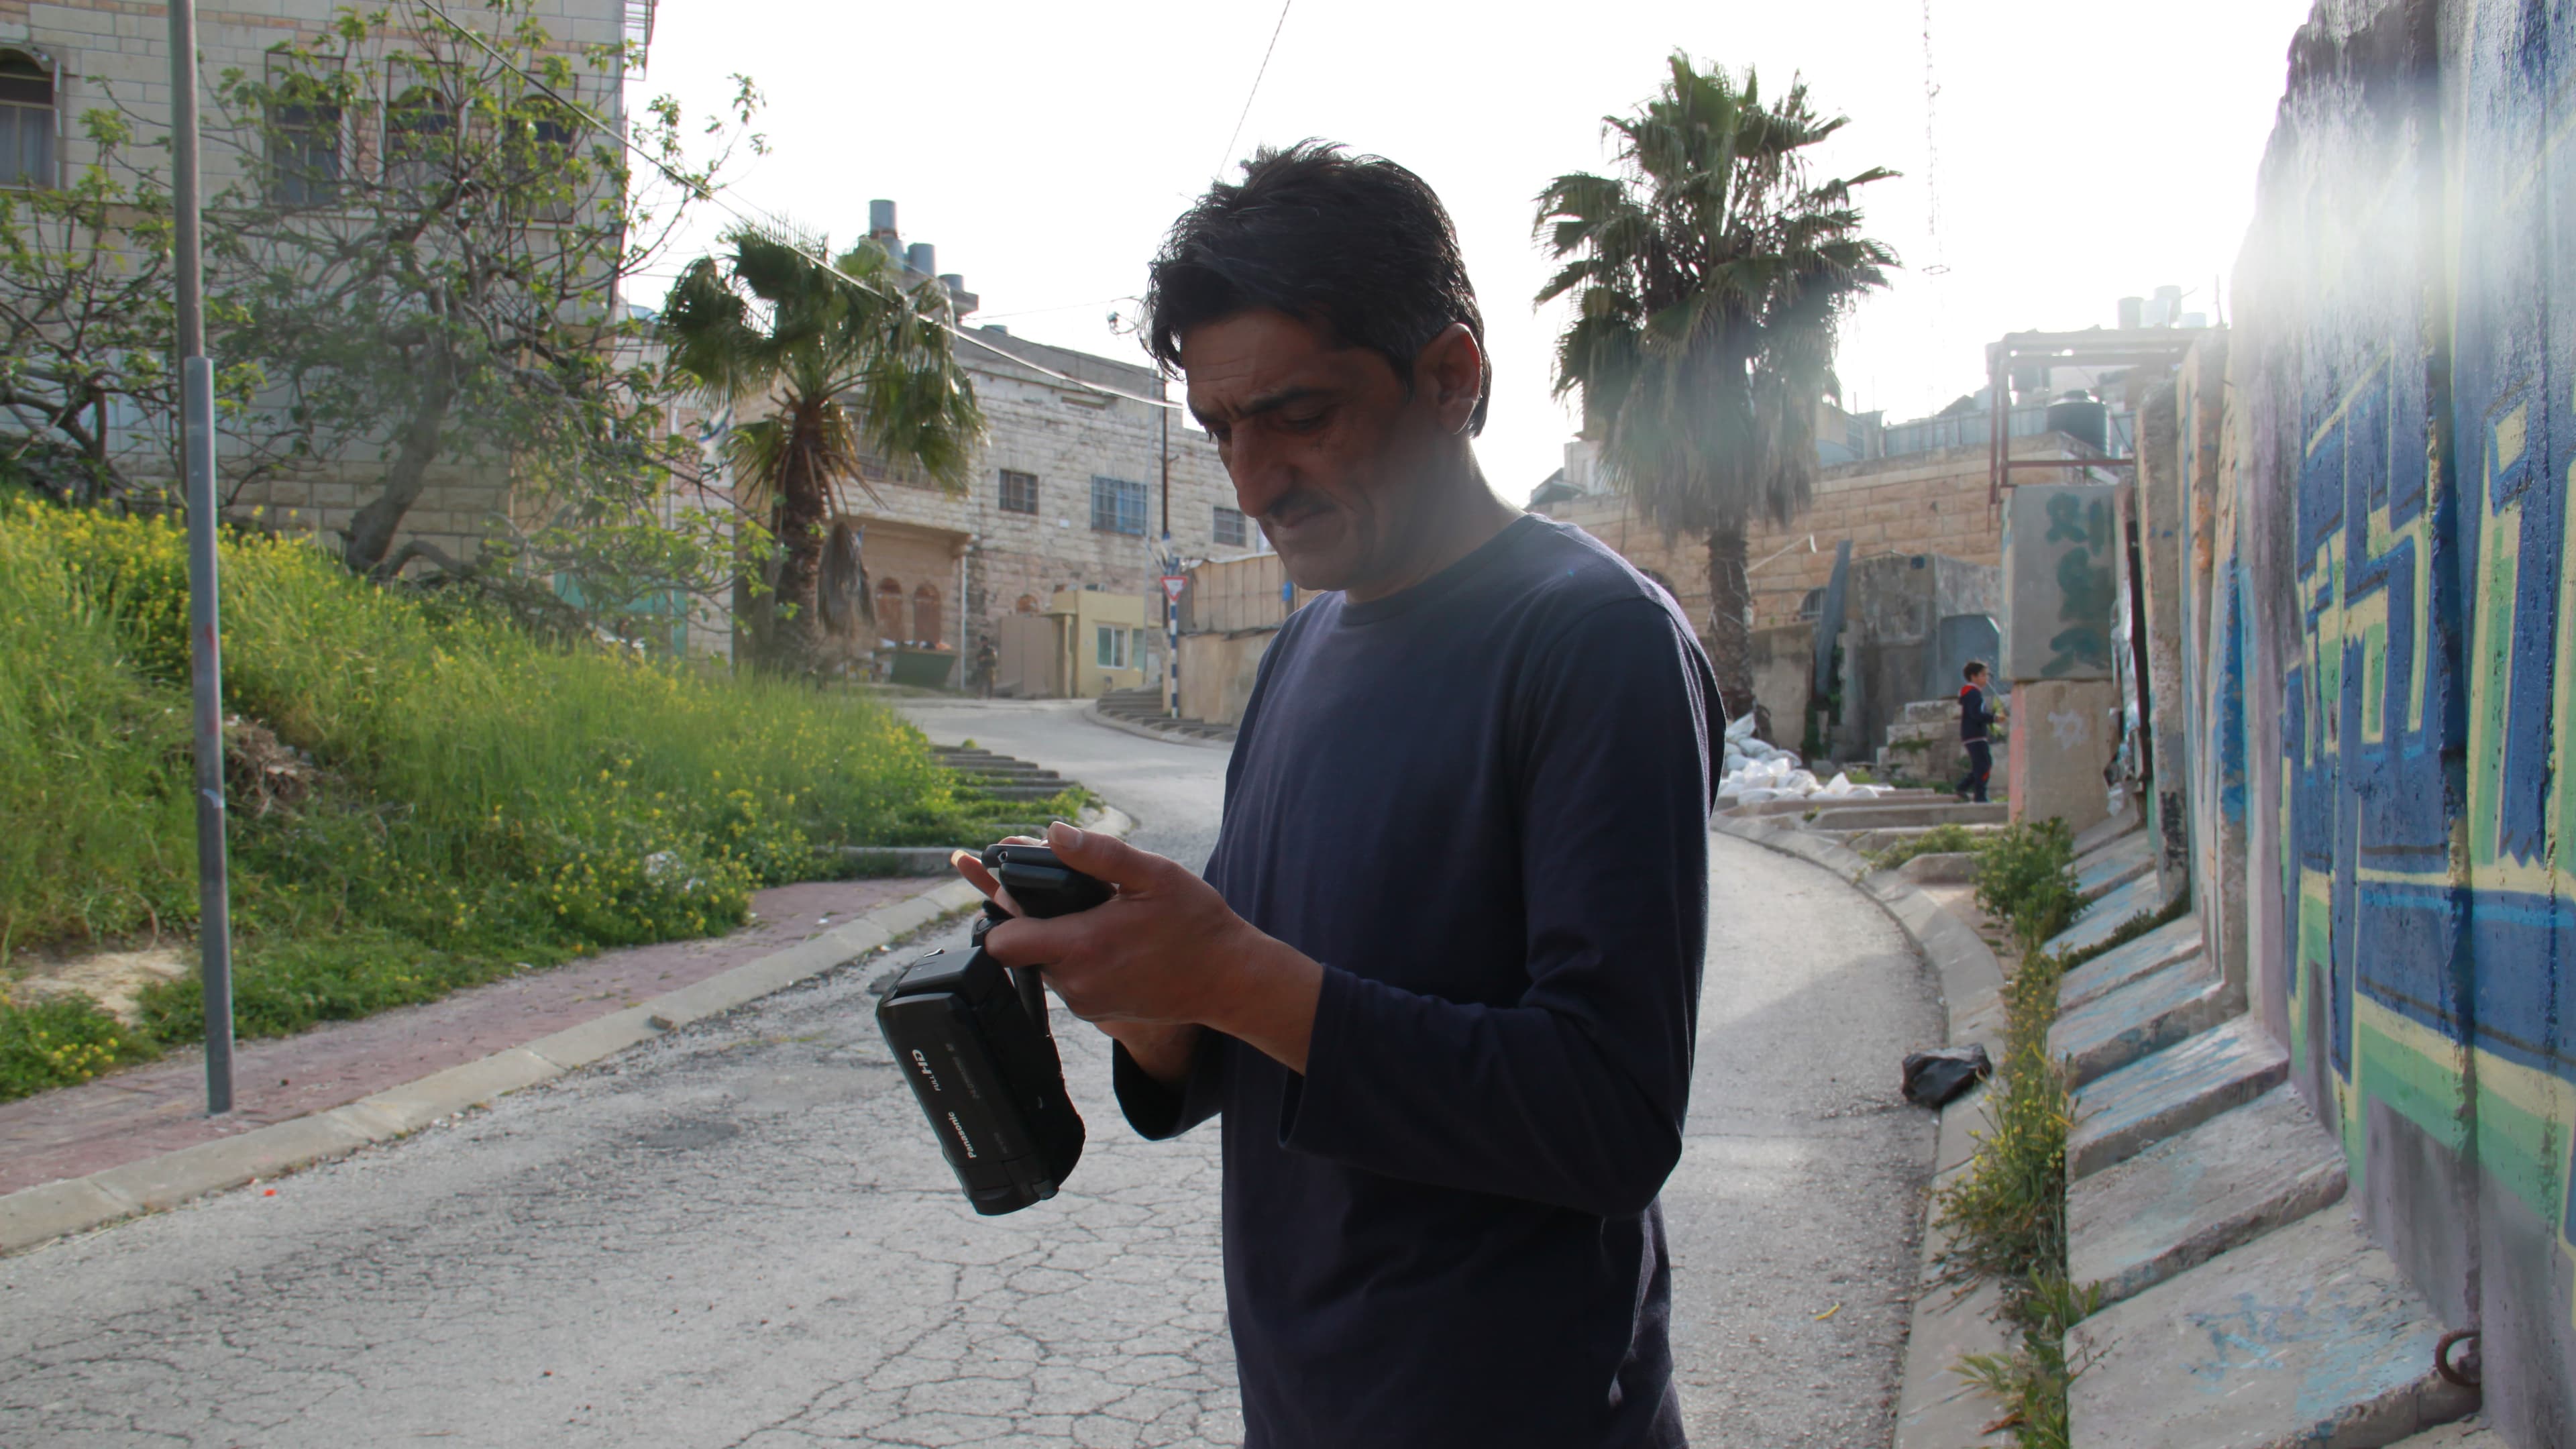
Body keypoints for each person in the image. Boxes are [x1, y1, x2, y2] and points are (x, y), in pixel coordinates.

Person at [952, 142, 1718, 1449]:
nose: (1253, 481)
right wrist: (1151, 998)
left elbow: (1612, 1116)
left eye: (1302, 415)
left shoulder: (1593, 643)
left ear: (1451, 378)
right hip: (1304, 1402)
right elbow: (1268, 1041)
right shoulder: (1305, 649)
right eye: (1221, 431)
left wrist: (1234, 976)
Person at [1957, 660, 1997, 802]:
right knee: (1984, 766)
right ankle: (1980, 796)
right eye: (1983, 675)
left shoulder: (1972, 693)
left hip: (1973, 735)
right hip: (1975, 735)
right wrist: (1994, 718)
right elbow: (1976, 714)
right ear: (1973, 677)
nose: (1986, 678)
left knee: (1982, 764)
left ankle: (1963, 786)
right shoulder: (1973, 694)